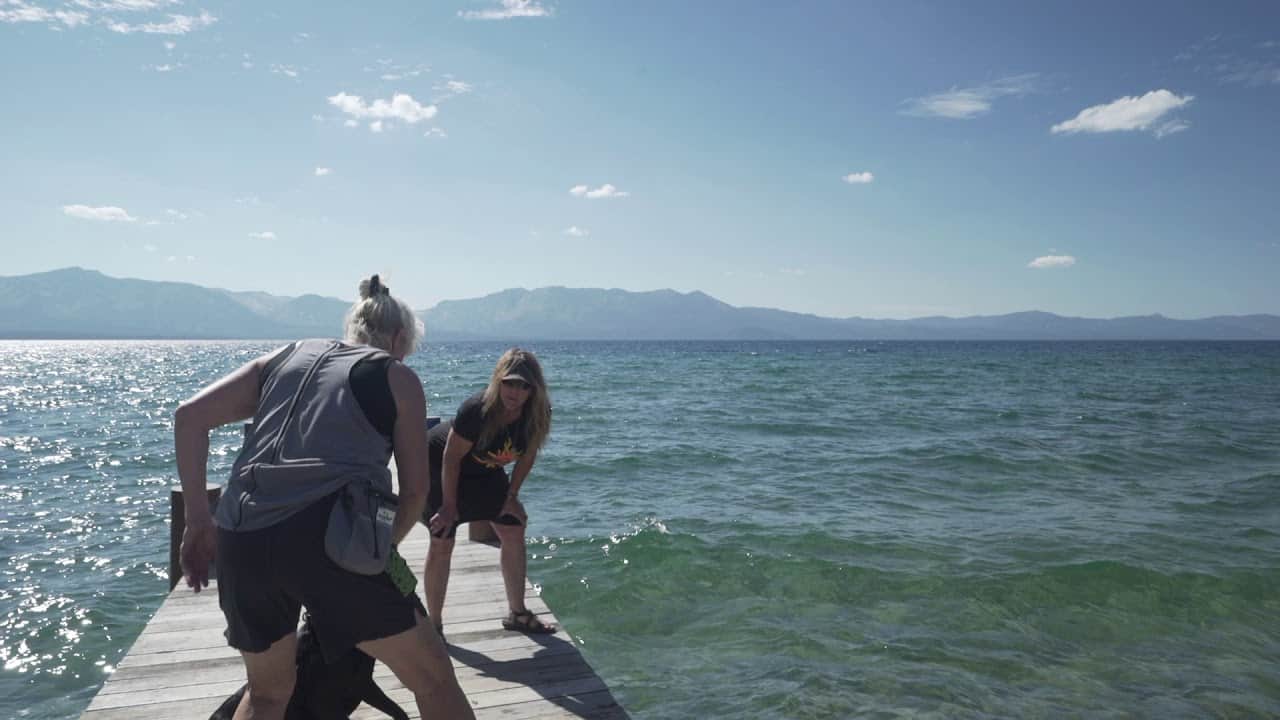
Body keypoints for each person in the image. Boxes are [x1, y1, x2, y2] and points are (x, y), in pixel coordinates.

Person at [175, 275, 475, 720]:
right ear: (397, 339)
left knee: (267, 695)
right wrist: (380, 552)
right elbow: (415, 492)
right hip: (329, 536)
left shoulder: (287, 355)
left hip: (240, 535)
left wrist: (199, 522)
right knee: (433, 680)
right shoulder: (396, 377)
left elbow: (190, 417)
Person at [423, 348, 556, 636]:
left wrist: (511, 497)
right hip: (439, 465)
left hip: (485, 470)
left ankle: (517, 614)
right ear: (498, 380)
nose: (515, 391)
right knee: (443, 538)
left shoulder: (537, 414)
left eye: (524, 386)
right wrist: (448, 506)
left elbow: (527, 456)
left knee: (514, 527)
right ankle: (433, 626)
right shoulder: (477, 410)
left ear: (534, 389)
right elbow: (450, 457)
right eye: (509, 382)